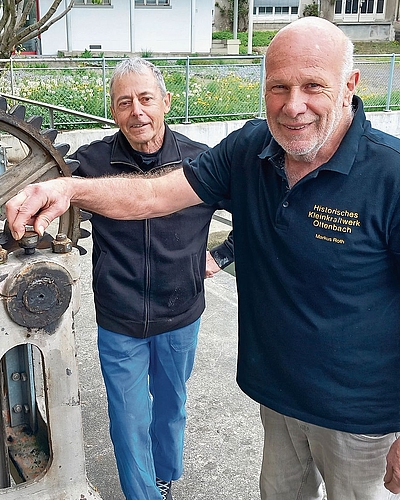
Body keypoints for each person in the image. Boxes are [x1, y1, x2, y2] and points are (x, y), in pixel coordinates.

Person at [6, 18, 400, 500]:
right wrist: (69, 189)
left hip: (359, 419)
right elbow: (152, 196)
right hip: (278, 400)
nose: (293, 105)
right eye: (279, 87)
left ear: (350, 86)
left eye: (314, 86)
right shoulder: (250, 150)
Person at [67, 57, 234, 500]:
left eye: (145, 99)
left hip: (181, 312)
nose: (136, 111)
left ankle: (165, 473)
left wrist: (221, 256)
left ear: (166, 102)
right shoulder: (91, 163)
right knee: (127, 418)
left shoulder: (200, 161)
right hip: (119, 316)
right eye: (124, 102)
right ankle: (144, 495)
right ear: (113, 110)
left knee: (171, 405)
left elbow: (257, 209)